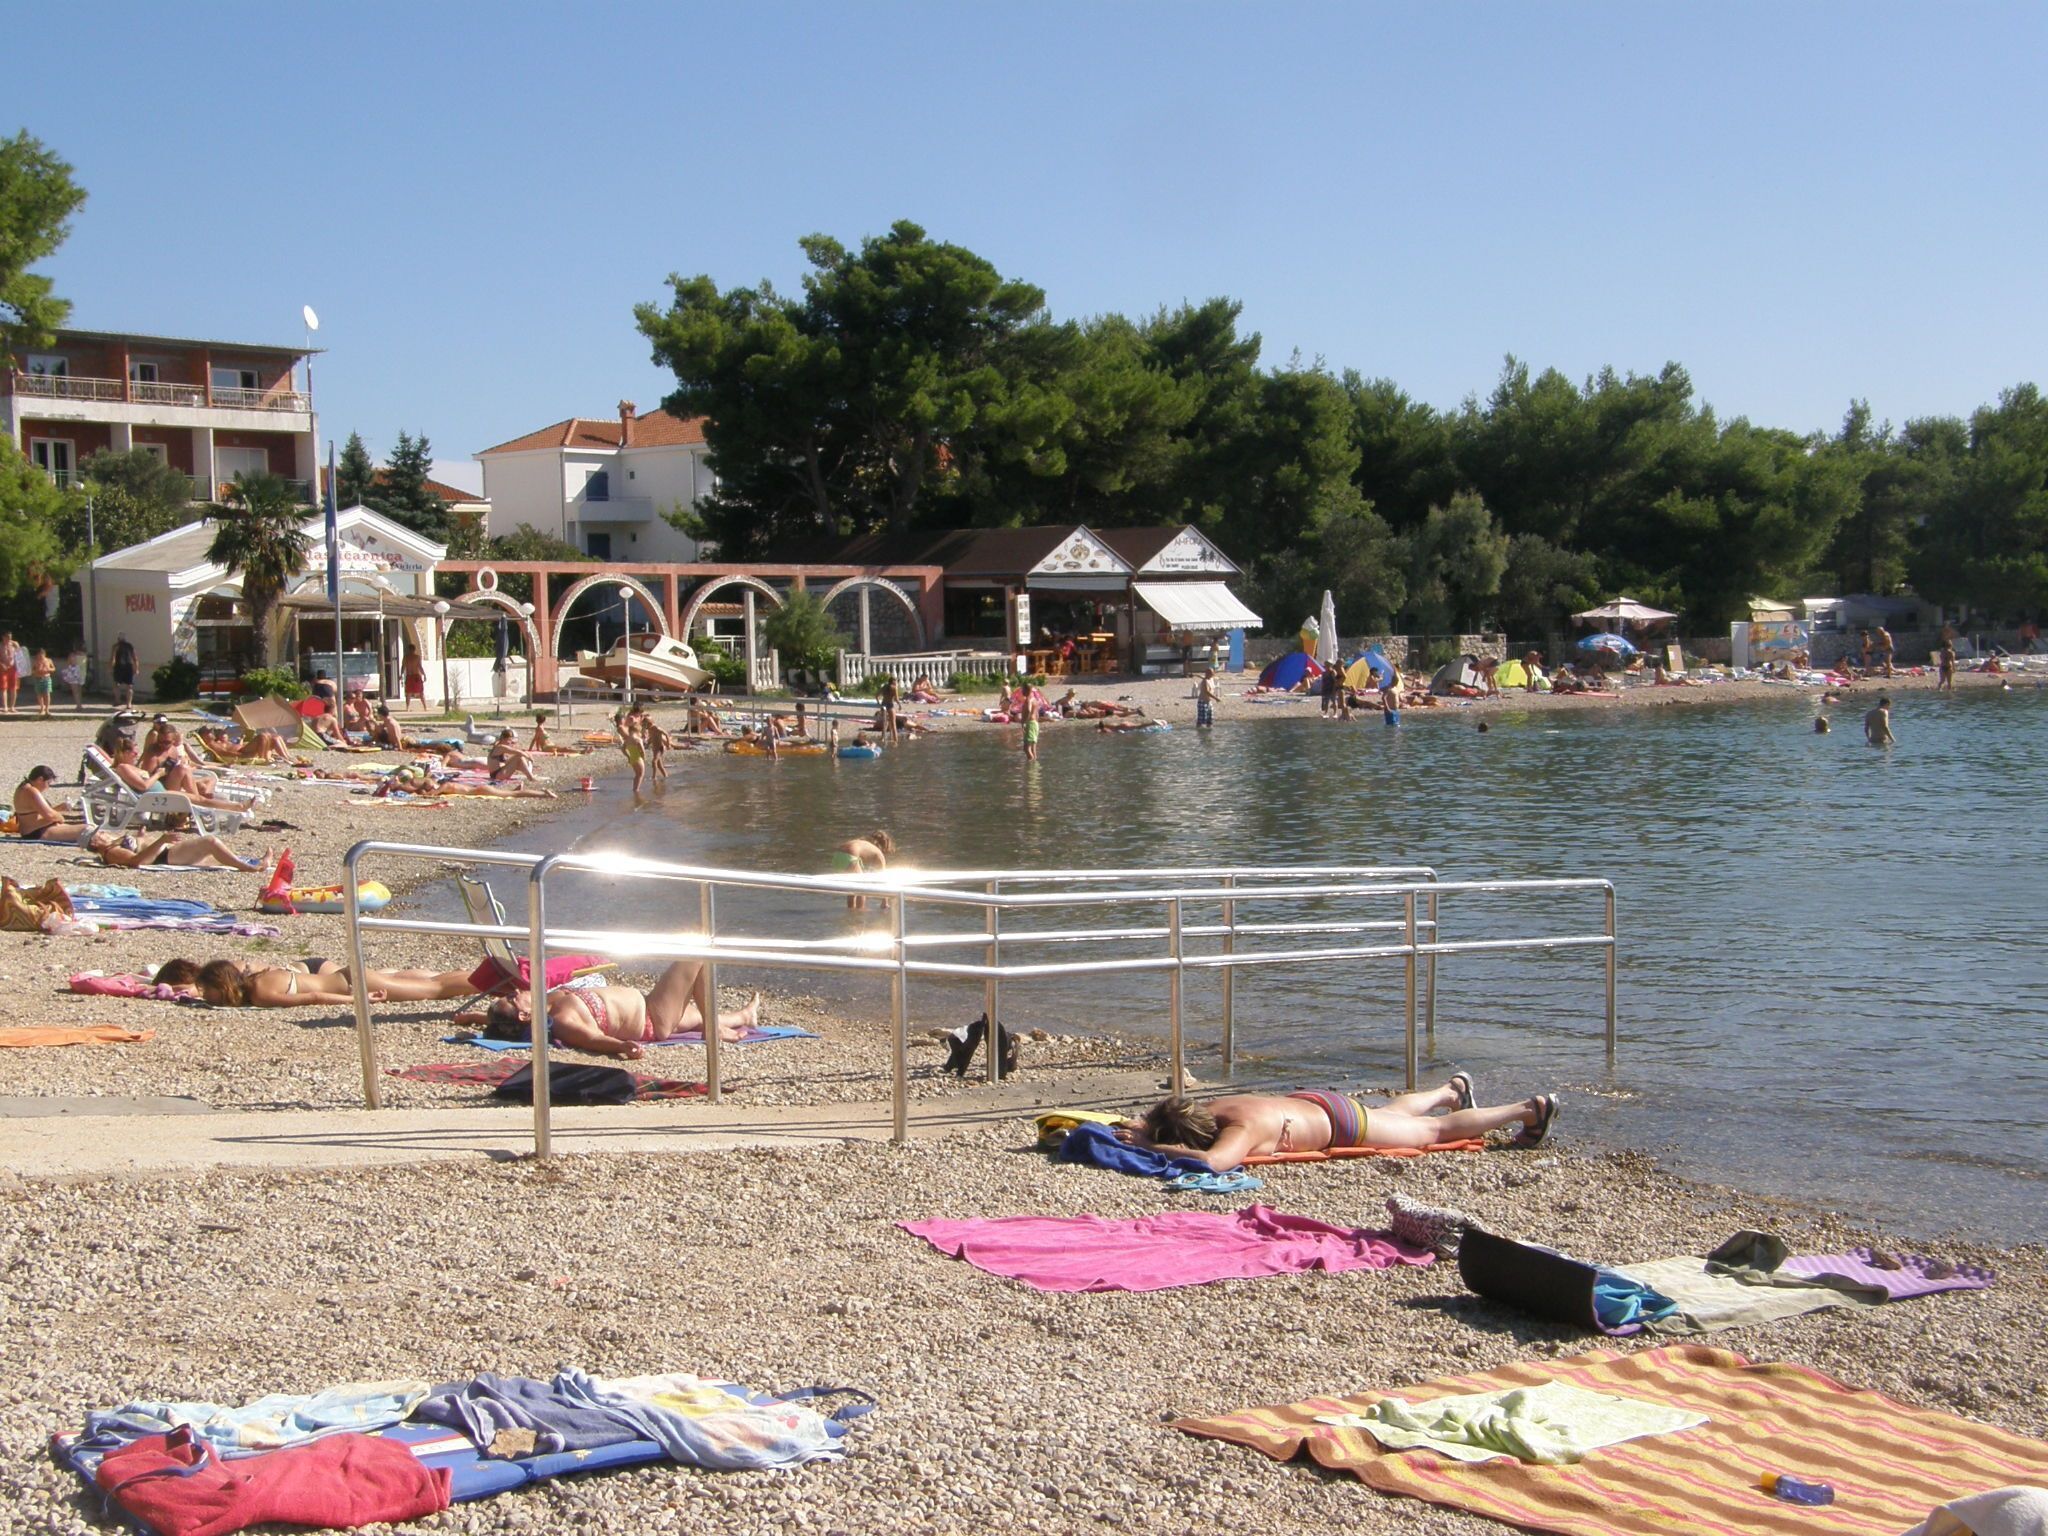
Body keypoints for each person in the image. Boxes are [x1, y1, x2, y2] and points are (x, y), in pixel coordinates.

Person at [1119, 1075, 1558, 1171]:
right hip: (1318, 1103)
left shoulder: (1240, 1131)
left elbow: (1214, 1163)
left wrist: (1148, 1147)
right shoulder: (1215, 1106)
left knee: (1433, 1133)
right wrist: (1144, 1130)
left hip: (1340, 1125)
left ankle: (1527, 1109)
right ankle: (1449, 1091)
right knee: (1390, 1116)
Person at [474, 960, 761, 1053]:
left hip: (648, 1006)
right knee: (696, 954)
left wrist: (472, 1019)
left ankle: (742, 1016)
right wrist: (622, 1047)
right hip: (652, 1019)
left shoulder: (548, 1004)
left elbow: (503, 1025)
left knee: (696, 1012)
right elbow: (593, 1039)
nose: (514, 992)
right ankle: (712, 1029)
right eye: (512, 999)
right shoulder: (563, 1020)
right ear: (525, 1015)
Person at [181, 957, 481, 1009]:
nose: (208, 997)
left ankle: (492, 978)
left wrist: (360, 1002)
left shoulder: (261, 993)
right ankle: (484, 972)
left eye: (210, 992)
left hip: (352, 986)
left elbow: (312, 999)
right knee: (432, 980)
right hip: (348, 975)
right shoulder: (259, 976)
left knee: (435, 990)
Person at [87, 829, 267, 871]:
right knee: (210, 842)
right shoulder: (111, 852)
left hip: (167, 852)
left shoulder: (113, 845)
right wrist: (161, 840)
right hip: (165, 855)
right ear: (96, 843)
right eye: (100, 834)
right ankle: (247, 867)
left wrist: (140, 836)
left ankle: (258, 862)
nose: (103, 832)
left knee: (216, 857)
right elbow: (136, 861)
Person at [12, 765, 88, 842]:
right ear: (40, 779)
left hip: (33, 830)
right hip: (38, 832)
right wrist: (60, 818)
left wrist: (59, 808)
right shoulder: (31, 791)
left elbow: (36, 813)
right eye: (48, 783)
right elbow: (50, 816)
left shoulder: (23, 787)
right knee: (86, 830)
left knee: (85, 829)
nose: (48, 787)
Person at [835, 830, 895, 911]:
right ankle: (861, 912)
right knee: (862, 887)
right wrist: (885, 901)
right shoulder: (879, 854)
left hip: (837, 856)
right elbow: (884, 879)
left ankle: (851, 912)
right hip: (850, 854)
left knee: (853, 886)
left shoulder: (864, 844)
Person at [110, 634, 138, 709]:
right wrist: (136, 668)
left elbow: (113, 658)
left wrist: (111, 667)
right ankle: (129, 704)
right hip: (129, 666)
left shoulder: (116, 646)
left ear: (118, 639)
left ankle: (118, 700)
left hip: (119, 666)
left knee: (116, 684)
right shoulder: (130, 646)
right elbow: (135, 657)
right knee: (129, 686)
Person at [28, 648, 55, 718]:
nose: (40, 656)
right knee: (39, 694)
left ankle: (47, 709)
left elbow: (53, 668)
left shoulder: (49, 660)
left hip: (46, 678)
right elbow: (32, 670)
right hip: (38, 678)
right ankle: (41, 707)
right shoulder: (35, 661)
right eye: (39, 655)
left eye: (41, 655)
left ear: (44, 654)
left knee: (47, 693)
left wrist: (48, 669)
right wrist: (37, 671)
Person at [0, 631, 16, 715]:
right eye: (7, 637)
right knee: (3, 688)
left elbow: (20, 655)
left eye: (10, 637)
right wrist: (1, 664)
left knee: (13, 688)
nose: (9, 639)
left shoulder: (13, 645)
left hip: (13, 668)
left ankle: (12, 706)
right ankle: (5, 706)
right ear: (3, 637)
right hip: (3, 669)